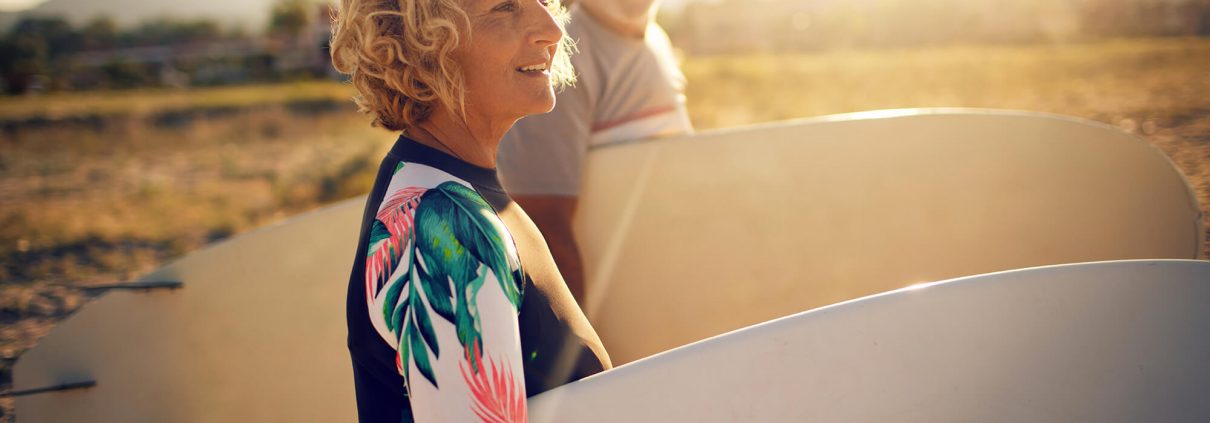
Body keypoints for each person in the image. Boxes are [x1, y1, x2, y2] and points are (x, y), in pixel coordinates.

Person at [330, 0, 612, 421]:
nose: (553, 28)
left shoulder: (458, 190)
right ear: (423, 46)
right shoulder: (444, 227)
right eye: (504, 7)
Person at [496, 0, 692, 305]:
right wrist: (581, 347)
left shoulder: (655, 40)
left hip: (670, 303)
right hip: (619, 326)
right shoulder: (557, 58)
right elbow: (543, 225)